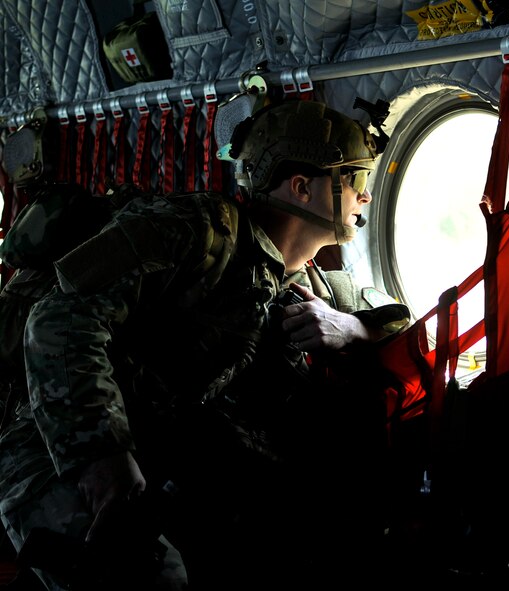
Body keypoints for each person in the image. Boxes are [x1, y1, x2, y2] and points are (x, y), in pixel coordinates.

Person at [0, 95, 411, 590]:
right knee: (150, 579)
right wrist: (100, 457)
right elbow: (57, 320)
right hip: (56, 450)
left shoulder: (305, 286)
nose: (367, 197)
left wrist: (356, 330)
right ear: (303, 187)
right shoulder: (194, 230)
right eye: (356, 180)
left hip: (159, 453)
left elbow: (396, 324)